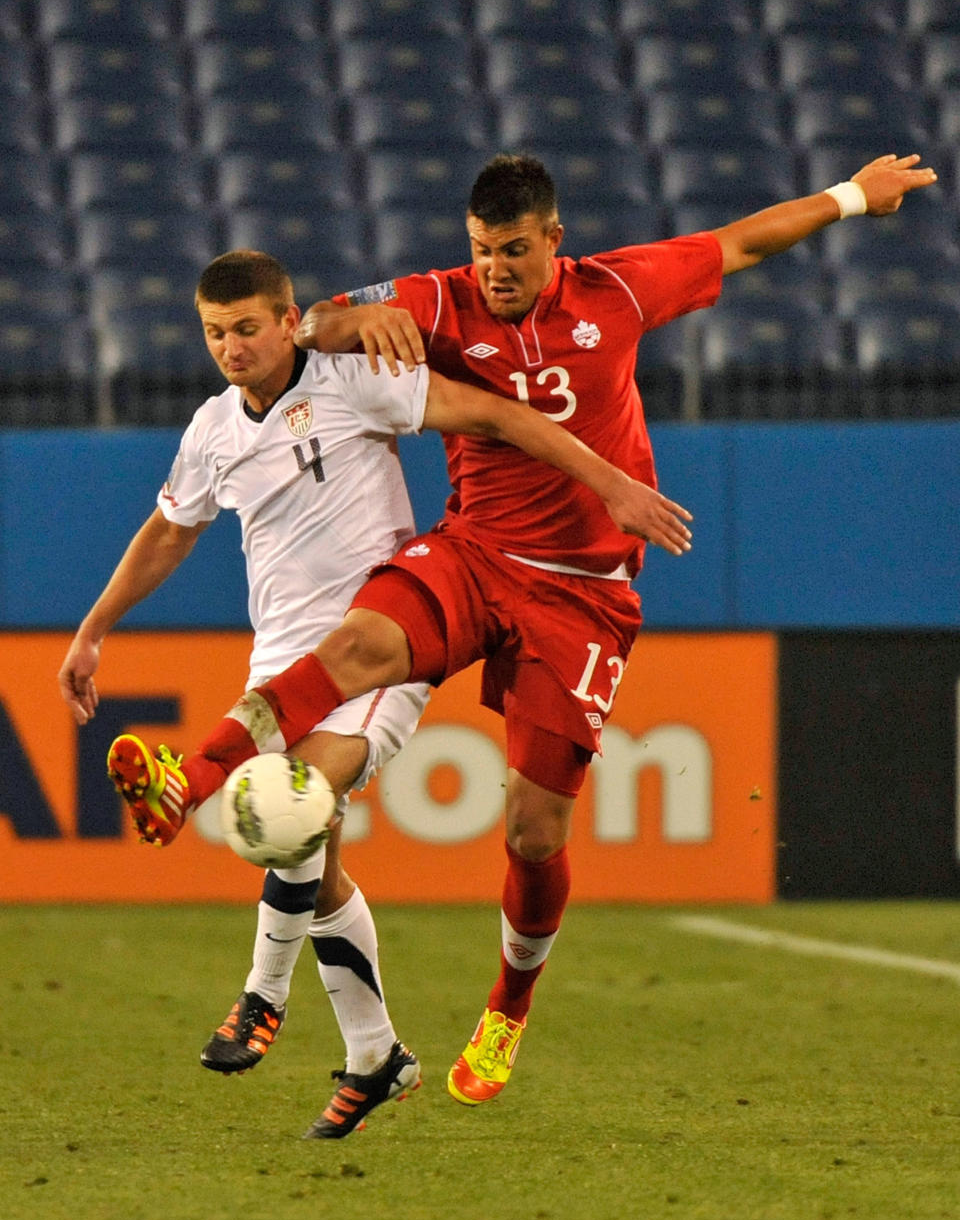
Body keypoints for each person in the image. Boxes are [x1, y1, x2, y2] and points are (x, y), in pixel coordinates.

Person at [103, 151, 937, 1109]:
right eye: (478, 251)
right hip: (474, 552)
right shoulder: (439, 299)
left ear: (553, 242)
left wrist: (847, 198)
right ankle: (190, 781)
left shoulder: (618, 290)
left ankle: (506, 1007)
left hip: (580, 594)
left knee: (535, 833)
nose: (492, 269)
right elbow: (312, 318)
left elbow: (741, 241)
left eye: (510, 251)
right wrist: (354, 315)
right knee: (352, 649)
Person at [61, 247, 692, 1135]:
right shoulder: (211, 429)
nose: (231, 347)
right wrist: (93, 629)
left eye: (247, 327)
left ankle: (259, 990)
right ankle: (377, 1054)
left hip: (385, 630)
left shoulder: (356, 379)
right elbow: (169, 531)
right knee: (313, 860)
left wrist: (611, 481)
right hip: (280, 657)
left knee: (298, 805)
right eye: (214, 333)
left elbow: (495, 414)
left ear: (289, 320)